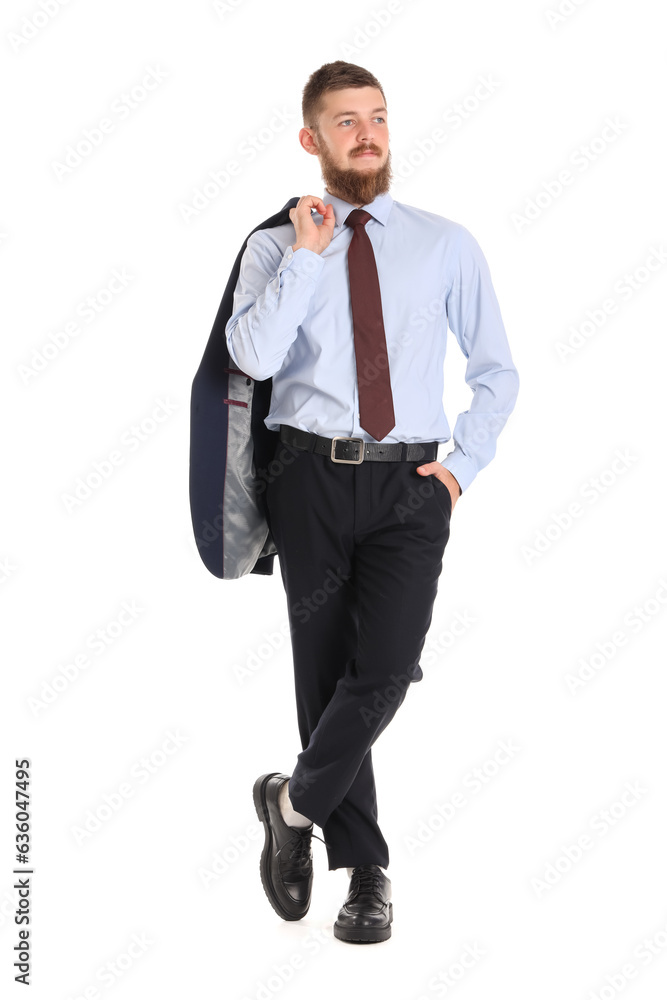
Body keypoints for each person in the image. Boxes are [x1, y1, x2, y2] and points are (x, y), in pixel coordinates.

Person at [226, 60, 520, 944]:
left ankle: (291, 802)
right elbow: (252, 356)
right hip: (308, 478)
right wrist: (311, 256)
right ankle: (365, 874)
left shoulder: (443, 243)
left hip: (409, 486)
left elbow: (496, 371)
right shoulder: (276, 249)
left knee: (385, 670)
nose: (366, 133)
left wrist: (460, 469)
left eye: (378, 117)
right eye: (346, 121)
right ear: (312, 140)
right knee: (325, 677)